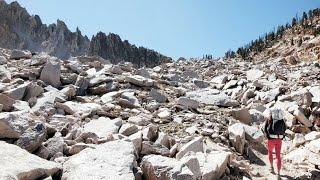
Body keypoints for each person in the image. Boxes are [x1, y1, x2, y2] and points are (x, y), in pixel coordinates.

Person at [263, 109, 286, 177]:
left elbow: (265, 129)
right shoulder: (281, 120)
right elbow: (284, 129)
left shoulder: (269, 119)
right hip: (279, 140)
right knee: (278, 156)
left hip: (271, 140)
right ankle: (278, 173)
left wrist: (267, 136)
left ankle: (271, 167)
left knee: (270, 152)